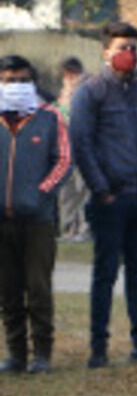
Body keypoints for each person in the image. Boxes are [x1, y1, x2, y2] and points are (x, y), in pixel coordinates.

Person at [70, 21, 137, 368]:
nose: (128, 54)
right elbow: (81, 144)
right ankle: (98, 346)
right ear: (105, 52)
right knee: (105, 273)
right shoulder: (91, 92)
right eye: (121, 48)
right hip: (111, 197)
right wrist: (101, 189)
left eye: (133, 48)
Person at [0, 55, 70, 373]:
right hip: (3, 221)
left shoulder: (50, 117)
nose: (16, 86)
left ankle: (42, 352)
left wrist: (41, 193)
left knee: (38, 288)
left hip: (38, 220)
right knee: (8, 290)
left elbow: (64, 161)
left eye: (22, 80)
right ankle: (16, 354)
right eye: (8, 80)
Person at [54, 57, 90, 242]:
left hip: (83, 144)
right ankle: (69, 229)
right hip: (64, 145)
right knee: (67, 189)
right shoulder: (65, 91)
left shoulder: (88, 88)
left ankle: (84, 229)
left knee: (84, 188)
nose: (66, 77)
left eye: (68, 73)